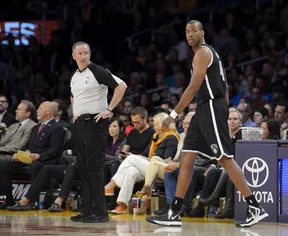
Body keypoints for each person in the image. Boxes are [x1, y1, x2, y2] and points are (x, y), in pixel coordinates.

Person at [146, 20, 268, 228]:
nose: (190, 34)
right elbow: (226, 85)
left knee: (224, 159)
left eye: (194, 31)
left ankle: (254, 206)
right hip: (203, 109)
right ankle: (174, 212)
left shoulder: (203, 52)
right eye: (187, 31)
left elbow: (193, 88)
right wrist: (225, 107)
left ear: (202, 33)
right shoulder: (202, 55)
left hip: (211, 106)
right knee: (187, 158)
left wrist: (173, 115)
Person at [69, 41, 127, 223]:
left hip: (96, 123)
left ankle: (100, 212)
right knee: (84, 168)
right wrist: (75, 113)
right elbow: (73, 95)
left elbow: (122, 86)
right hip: (80, 124)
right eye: (80, 53)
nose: (83, 56)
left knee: (95, 168)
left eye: (86, 52)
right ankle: (86, 210)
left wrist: (109, 109)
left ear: (90, 54)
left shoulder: (98, 71)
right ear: (74, 56)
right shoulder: (74, 76)